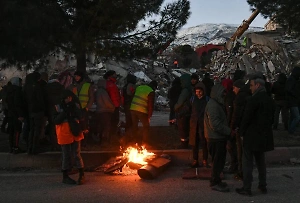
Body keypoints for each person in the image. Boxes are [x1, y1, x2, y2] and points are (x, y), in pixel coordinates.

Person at [236, 74, 274, 196]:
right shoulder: (269, 99)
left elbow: (246, 118)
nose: (250, 88)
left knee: (247, 162)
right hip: (264, 136)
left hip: (251, 136)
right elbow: (272, 119)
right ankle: (263, 186)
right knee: (260, 162)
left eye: (252, 85)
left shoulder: (253, 100)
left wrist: (241, 132)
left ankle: (247, 188)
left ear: (258, 85)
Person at [54, 89, 85, 185]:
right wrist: (66, 112)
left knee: (76, 154)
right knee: (66, 155)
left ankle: (81, 175)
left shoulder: (75, 105)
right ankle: (65, 176)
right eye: (67, 98)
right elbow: (56, 120)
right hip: (64, 133)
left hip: (75, 131)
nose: (69, 99)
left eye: (70, 97)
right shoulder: (58, 107)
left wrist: (73, 110)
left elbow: (81, 116)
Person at [204, 84, 231, 192]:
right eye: (222, 92)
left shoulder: (216, 104)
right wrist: (228, 131)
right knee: (217, 162)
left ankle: (217, 180)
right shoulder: (213, 106)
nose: (224, 94)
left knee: (219, 161)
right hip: (215, 138)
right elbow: (215, 124)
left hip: (217, 137)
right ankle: (215, 182)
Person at [230, 79, 251, 180]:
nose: (233, 90)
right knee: (246, 153)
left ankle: (242, 173)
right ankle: (246, 172)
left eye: (234, 88)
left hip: (241, 128)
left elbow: (236, 114)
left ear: (238, 87)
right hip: (249, 127)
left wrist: (233, 127)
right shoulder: (249, 95)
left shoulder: (239, 98)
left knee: (241, 152)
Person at [130, 80, 157, 146]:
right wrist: (149, 116)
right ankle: (145, 143)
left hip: (133, 108)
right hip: (141, 110)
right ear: (154, 87)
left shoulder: (139, 87)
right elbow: (150, 105)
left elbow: (133, 96)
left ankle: (134, 141)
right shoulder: (150, 91)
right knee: (146, 126)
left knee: (134, 126)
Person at [189, 83, 209, 168]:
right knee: (194, 143)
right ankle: (195, 160)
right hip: (194, 124)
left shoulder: (207, 100)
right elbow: (189, 109)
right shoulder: (193, 99)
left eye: (200, 92)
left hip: (203, 124)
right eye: (196, 92)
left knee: (204, 143)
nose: (198, 93)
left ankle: (205, 160)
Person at [28, 72, 49, 155]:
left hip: (31, 111)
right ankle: (35, 148)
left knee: (32, 130)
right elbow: (41, 100)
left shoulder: (28, 87)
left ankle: (30, 148)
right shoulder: (38, 87)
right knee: (37, 130)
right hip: (38, 111)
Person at [68, 70, 94, 135]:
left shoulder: (88, 85)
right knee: (76, 125)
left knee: (84, 126)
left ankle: (84, 141)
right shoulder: (72, 86)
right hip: (74, 109)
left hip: (84, 109)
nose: (76, 77)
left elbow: (91, 97)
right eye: (75, 76)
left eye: (78, 76)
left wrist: (87, 107)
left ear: (81, 77)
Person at [6, 77, 25, 153]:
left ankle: (12, 147)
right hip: (16, 115)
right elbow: (18, 103)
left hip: (10, 114)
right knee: (17, 131)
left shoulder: (8, 90)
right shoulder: (17, 90)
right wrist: (20, 114)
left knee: (11, 132)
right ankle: (16, 147)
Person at [46, 74, 65, 151]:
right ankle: (59, 143)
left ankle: (53, 144)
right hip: (59, 109)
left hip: (50, 109)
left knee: (51, 127)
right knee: (59, 126)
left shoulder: (47, 88)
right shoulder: (61, 87)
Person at [94, 78, 115, 144]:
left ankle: (100, 140)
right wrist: (113, 107)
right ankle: (104, 141)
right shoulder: (103, 92)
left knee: (101, 126)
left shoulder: (97, 91)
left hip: (99, 110)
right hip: (105, 111)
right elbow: (107, 101)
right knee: (106, 127)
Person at [174, 74, 192, 149]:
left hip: (183, 112)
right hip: (188, 112)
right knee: (186, 128)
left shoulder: (185, 90)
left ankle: (183, 145)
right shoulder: (191, 88)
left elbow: (180, 102)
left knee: (182, 129)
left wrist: (175, 107)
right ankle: (186, 143)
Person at [103, 70, 121, 137]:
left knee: (112, 123)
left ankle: (111, 137)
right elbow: (113, 96)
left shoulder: (110, 83)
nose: (116, 75)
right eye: (115, 74)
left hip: (112, 106)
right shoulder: (111, 84)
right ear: (111, 75)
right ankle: (111, 138)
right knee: (113, 123)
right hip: (113, 106)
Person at [285, 66, 300, 134]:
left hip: (293, 101)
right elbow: (289, 89)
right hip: (293, 101)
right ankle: (291, 130)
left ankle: (290, 129)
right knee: (297, 117)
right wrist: (295, 94)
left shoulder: (293, 79)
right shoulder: (292, 80)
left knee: (293, 116)